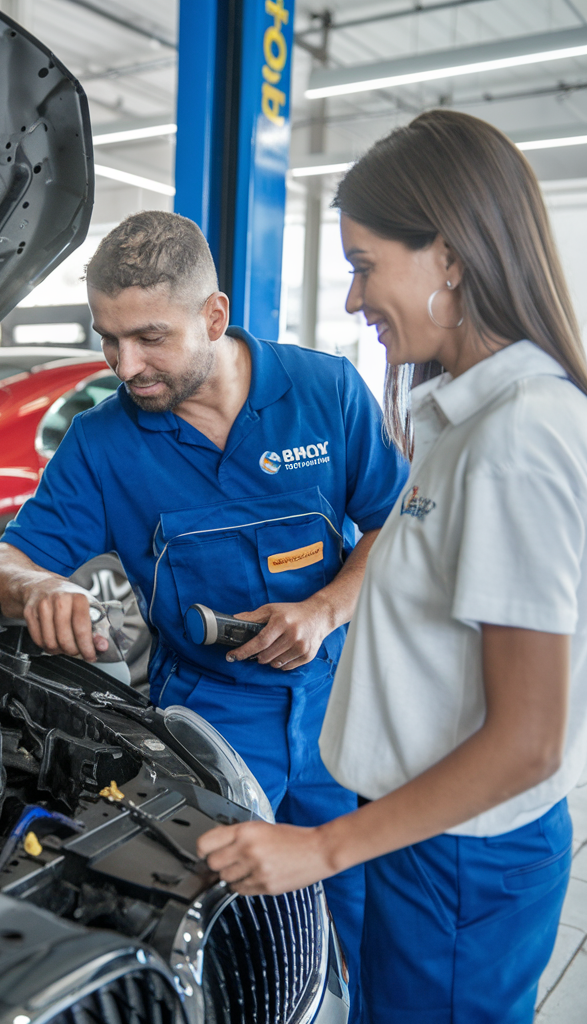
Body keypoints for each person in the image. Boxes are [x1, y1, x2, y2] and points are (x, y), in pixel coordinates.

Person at [195, 108, 587, 1023]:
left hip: (458, 855)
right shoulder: (467, 426)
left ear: (449, 255)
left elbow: (526, 739)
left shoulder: (519, 436)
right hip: (424, 835)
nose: (352, 300)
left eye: (365, 266)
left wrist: (322, 849)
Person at [0, 210, 410, 1014]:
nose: (123, 365)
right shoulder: (105, 441)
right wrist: (37, 588)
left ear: (214, 316)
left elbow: (393, 520)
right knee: (225, 928)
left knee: (350, 908)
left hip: (336, 705)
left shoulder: (325, 393)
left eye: (148, 338)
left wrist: (326, 607)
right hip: (206, 722)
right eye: (108, 338)